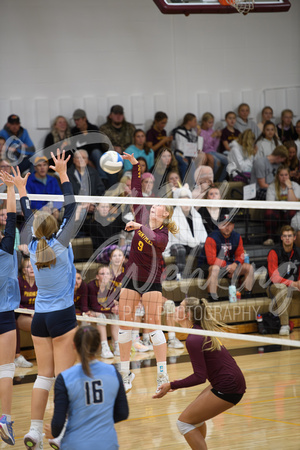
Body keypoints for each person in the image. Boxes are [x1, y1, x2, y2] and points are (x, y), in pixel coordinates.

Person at [11, 149, 78, 449]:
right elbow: (73, 207)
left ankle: (35, 431)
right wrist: (63, 173)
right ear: (55, 227)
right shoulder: (61, 244)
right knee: (64, 379)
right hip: (63, 317)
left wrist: (21, 189)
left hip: (40, 319)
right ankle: (61, 432)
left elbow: (28, 215)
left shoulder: (32, 245)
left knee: (43, 377)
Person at [118, 152, 178, 393]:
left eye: (159, 205)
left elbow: (152, 237)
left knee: (153, 324)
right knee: (124, 325)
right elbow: (135, 190)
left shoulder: (163, 235)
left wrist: (138, 225)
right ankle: (125, 373)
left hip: (151, 281)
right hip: (131, 278)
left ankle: (162, 375)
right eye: (154, 203)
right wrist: (134, 166)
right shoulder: (142, 214)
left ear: (165, 214)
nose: (154, 204)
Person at [153, 297, 246, 450]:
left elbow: (199, 377)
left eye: (180, 306)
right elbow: (202, 372)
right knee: (195, 419)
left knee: (183, 422)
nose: (176, 309)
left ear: (187, 314)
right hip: (229, 381)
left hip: (228, 386)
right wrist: (178, 383)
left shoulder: (193, 339)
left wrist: (172, 384)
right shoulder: (198, 332)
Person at [44, 326, 129, 450]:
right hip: (108, 444)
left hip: (75, 444)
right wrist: (101, 421)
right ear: (99, 345)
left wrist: (53, 432)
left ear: (73, 345)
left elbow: (57, 424)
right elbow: (122, 413)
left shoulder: (64, 378)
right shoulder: (113, 372)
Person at [0, 170, 20, 446]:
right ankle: (5, 419)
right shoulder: (7, 247)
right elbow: (12, 217)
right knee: (6, 370)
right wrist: (11, 188)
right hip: (5, 316)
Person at [198, 213, 254, 301]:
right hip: (207, 266)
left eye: (230, 224)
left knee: (249, 268)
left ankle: (248, 297)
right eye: (224, 224)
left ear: (234, 225)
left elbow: (241, 255)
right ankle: (212, 299)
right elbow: (211, 260)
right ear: (219, 225)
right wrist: (228, 266)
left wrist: (235, 265)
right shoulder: (212, 237)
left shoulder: (237, 237)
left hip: (229, 265)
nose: (227, 227)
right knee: (215, 268)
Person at [163, 187, 207, 279]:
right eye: (183, 202)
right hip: (176, 243)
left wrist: (197, 242)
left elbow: (202, 234)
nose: (186, 205)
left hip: (193, 243)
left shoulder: (196, 215)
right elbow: (180, 234)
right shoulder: (173, 216)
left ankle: (200, 273)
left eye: (188, 201)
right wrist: (193, 242)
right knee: (180, 250)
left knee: (203, 247)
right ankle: (181, 275)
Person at [266, 225, 300, 336]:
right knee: (282, 288)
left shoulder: (298, 252)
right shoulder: (274, 252)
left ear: (295, 237)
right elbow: (274, 278)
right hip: (274, 287)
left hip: (293, 287)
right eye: (285, 236)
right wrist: (292, 283)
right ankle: (284, 325)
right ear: (281, 238)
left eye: (290, 236)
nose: (287, 238)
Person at [87, 265, 120, 359]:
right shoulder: (91, 286)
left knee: (115, 316)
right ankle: (104, 347)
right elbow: (94, 306)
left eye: (107, 274)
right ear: (97, 276)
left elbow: (112, 303)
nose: (105, 276)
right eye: (102, 274)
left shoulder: (112, 285)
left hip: (104, 309)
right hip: (92, 311)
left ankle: (117, 345)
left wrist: (115, 307)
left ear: (110, 276)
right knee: (101, 317)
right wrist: (110, 309)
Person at [264, 166, 299, 246]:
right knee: (269, 213)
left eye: (286, 175)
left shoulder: (295, 186)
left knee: (292, 212)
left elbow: (294, 203)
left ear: (289, 175)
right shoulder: (272, 187)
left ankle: (291, 238)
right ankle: (270, 238)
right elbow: (270, 204)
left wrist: (289, 187)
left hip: (290, 211)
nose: (284, 177)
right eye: (281, 175)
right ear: (277, 176)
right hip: (277, 211)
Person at [15, 257, 36, 368]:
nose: (32, 269)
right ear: (23, 270)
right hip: (21, 313)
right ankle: (17, 357)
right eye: (28, 266)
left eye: (33, 266)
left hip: (37, 313)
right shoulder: (19, 281)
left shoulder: (39, 281)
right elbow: (16, 302)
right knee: (37, 325)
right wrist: (29, 312)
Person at [200, 112, 228, 182]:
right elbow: (203, 147)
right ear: (204, 122)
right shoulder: (200, 132)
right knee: (216, 161)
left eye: (212, 122)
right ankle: (211, 180)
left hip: (213, 151)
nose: (211, 124)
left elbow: (214, 147)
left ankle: (220, 181)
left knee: (228, 160)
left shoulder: (211, 131)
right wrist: (212, 137)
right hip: (205, 152)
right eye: (210, 122)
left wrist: (218, 138)